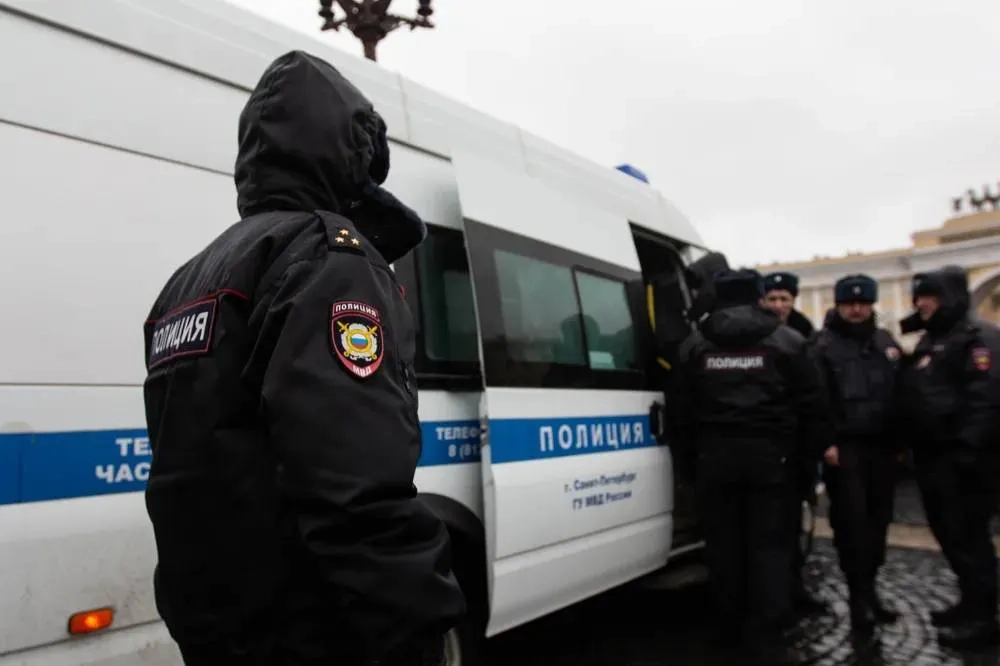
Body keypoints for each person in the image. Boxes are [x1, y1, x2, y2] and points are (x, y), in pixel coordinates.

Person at [140, 50, 465, 665]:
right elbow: (355, 488)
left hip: (218, 626)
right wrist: (415, 631)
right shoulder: (328, 258)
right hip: (312, 630)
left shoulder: (192, 277)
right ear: (348, 151)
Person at [669, 268, 833, 665]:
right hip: (774, 462)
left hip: (715, 461)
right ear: (759, 296)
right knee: (771, 548)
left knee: (723, 547)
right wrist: (803, 464)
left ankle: (729, 627)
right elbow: (815, 408)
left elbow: (679, 414)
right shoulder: (788, 341)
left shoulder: (695, 345)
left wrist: (690, 467)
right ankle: (767, 633)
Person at [897, 265, 1000, 649]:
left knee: (971, 539)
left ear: (949, 297)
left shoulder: (978, 338)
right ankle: (969, 602)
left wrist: (967, 451)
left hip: (963, 462)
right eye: (918, 297)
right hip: (933, 458)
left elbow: (986, 399)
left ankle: (984, 618)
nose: (920, 304)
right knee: (950, 536)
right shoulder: (933, 338)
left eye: (928, 296)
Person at [810, 274, 903, 635]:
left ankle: (872, 592)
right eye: (849, 303)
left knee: (878, 522)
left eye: (862, 303)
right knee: (852, 524)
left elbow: (901, 392)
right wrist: (826, 442)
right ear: (837, 305)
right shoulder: (822, 346)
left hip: (882, 447)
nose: (856, 309)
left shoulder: (885, 342)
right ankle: (857, 599)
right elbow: (816, 399)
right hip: (845, 449)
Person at [762, 271, 829, 618]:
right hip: (774, 448)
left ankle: (796, 589)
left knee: (798, 525)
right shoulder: (757, 335)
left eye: (784, 299)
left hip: (802, 447)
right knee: (774, 529)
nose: (778, 305)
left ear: (793, 301)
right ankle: (779, 597)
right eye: (772, 298)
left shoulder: (808, 337)